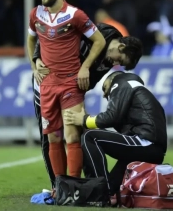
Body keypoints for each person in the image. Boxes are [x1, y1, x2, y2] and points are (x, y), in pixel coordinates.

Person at [32, 23, 143, 188]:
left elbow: (89, 81)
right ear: (121, 46)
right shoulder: (95, 32)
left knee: (77, 133)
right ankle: (57, 187)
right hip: (46, 80)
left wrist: (77, 96)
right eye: (119, 59)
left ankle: (79, 185)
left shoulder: (108, 60)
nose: (115, 63)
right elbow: (54, 30)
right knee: (50, 136)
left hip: (70, 89)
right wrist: (37, 57)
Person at [26, 0, 106, 181]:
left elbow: (99, 41)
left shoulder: (76, 15)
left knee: (72, 135)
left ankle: (74, 184)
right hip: (47, 84)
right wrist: (34, 65)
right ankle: (60, 186)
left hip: (71, 83)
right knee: (53, 137)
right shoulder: (36, 14)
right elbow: (31, 40)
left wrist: (85, 67)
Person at [64, 71, 167, 198]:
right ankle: (106, 192)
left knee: (90, 136)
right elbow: (120, 125)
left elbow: (112, 117)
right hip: (150, 147)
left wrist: (84, 120)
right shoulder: (135, 89)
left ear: (112, 80)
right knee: (111, 186)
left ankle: (97, 190)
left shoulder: (121, 82)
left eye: (104, 87)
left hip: (146, 143)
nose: (104, 94)